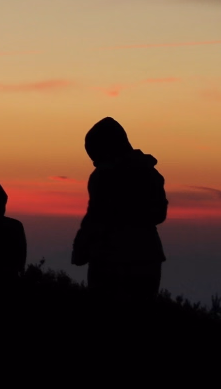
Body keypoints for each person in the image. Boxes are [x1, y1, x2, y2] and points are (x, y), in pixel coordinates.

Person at [70, 117, 167, 308]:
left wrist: (82, 247)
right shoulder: (150, 173)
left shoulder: (104, 176)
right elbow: (159, 214)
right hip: (146, 258)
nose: (94, 163)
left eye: (95, 156)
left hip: (111, 260)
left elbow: (94, 217)